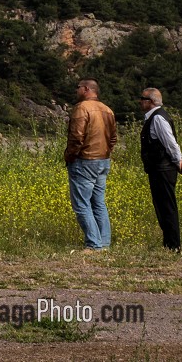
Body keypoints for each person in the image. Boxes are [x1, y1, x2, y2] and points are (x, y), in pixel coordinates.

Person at [64, 78, 116, 252]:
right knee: (99, 202)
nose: (76, 91)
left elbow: (76, 137)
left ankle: (93, 244)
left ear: (86, 89)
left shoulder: (81, 108)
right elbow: (113, 138)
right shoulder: (107, 110)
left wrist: (69, 156)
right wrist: (106, 153)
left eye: (77, 87)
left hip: (84, 160)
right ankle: (104, 242)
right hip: (103, 160)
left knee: (81, 204)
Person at [139, 87, 182, 252]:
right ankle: (169, 243)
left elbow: (170, 142)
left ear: (151, 102)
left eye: (143, 98)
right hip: (158, 169)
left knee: (167, 206)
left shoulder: (158, 118)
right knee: (162, 206)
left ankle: (173, 244)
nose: (140, 101)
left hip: (163, 169)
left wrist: (179, 161)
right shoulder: (154, 117)